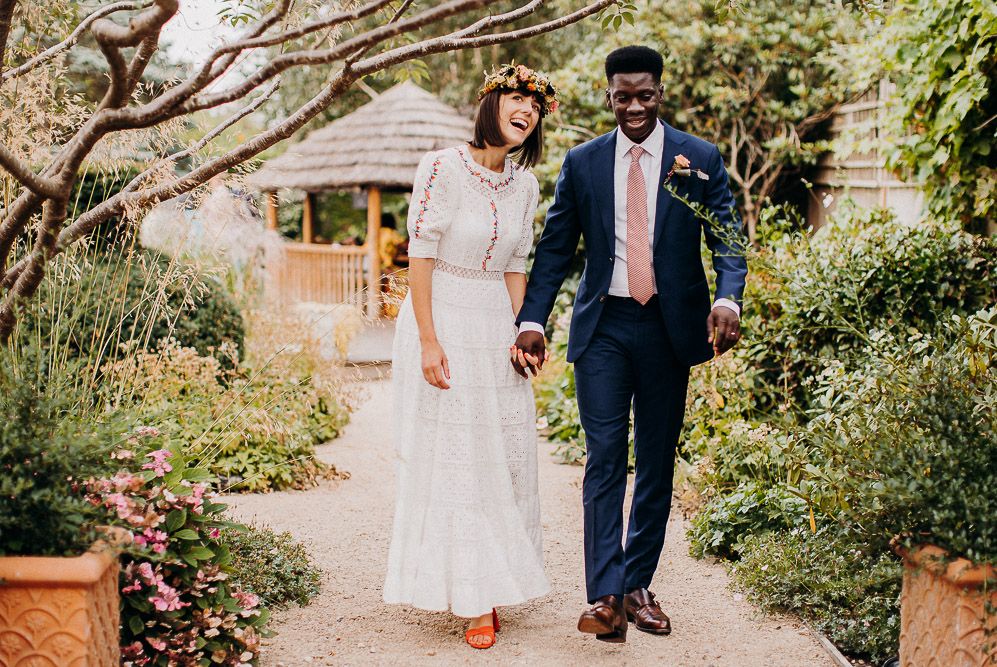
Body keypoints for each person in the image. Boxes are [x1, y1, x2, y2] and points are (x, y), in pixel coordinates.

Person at [512, 45, 748, 643]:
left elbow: (725, 234)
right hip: (605, 328)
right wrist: (531, 320)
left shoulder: (699, 157)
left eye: (645, 95)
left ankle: (638, 583)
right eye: (624, 96)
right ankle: (606, 596)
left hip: (671, 329)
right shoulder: (584, 163)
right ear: (608, 94)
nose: (635, 106)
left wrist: (727, 298)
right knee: (605, 457)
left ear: (659, 93)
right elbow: (556, 250)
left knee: (658, 459)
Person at [383, 64, 559, 650]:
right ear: (491, 104)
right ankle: (472, 598)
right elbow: (421, 257)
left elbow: (515, 266)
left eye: (535, 107)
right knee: (458, 459)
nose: (527, 111)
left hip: (494, 323)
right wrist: (430, 341)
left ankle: (491, 576)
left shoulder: (526, 185)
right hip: (443, 317)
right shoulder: (440, 167)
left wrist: (525, 333)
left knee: (502, 458)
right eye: (517, 99)